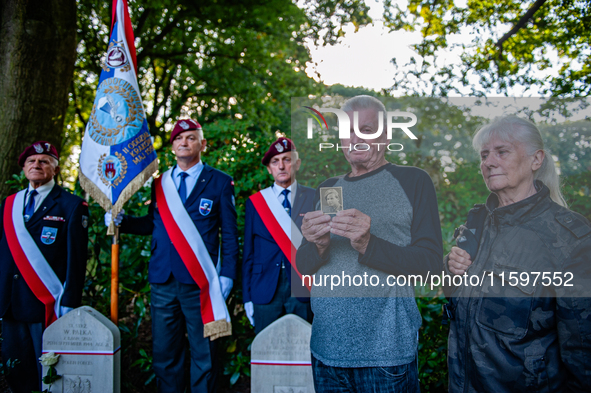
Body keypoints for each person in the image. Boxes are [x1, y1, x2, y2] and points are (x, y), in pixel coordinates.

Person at [296, 95, 443, 391]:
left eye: (366, 128)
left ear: (386, 135)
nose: (356, 138)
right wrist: (319, 245)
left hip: (385, 355)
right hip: (327, 349)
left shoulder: (413, 181)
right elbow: (304, 264)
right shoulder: (327, 187)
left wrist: (367, 244)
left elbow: (430, 266)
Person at [445, 116, 591, 392]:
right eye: (484, 155)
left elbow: (583, 349)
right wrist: (450, 268)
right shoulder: (478, 221)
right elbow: (456, 303)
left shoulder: (569, 238)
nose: (488, 162)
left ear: (536, 160)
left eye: (502, 152)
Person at [107, 119, 238, 392]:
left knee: (206, 354)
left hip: (201, 283)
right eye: (178, 138)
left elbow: (230, 234)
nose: (184, 142)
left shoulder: (220, 182)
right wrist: (122, 221)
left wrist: (226, 276)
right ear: (172, 146)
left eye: (191, 138)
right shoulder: (160, 183)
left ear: (203, 144)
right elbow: (151, 224)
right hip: (163, 280)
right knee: (165, 353)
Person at [0, 142, 89, 393]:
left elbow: (77, 258)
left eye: (44, 161)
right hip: (11, 303)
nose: (37, 165)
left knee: (50, 372)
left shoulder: (71, 205)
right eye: (31, 161)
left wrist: (70, 301)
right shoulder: (9, 204)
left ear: (55, 169)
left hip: (46, 304)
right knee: (15, 369)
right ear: (24, 168)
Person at [242, 137, 314, 334]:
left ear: (297, 164)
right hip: (264, 287)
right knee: (267, 356)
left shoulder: (314, 197)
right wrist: (247, 297)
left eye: (287, 159)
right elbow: (249, 252)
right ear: (269, 168)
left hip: (304, 288)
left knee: (304, 356)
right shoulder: (255, 203)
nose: (281, 166)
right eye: (275, 162)